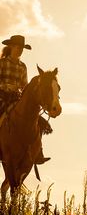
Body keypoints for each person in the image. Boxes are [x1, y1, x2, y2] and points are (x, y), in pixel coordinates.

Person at [0, 35, 50, 164]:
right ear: (11, 47)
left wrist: (22, 90)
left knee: (36, 120)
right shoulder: (2, 63)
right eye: (17, 47)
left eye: (22, 48)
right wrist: (7, 86)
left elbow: (24, 85)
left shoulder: (23, 67)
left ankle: (38, 151)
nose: (20, 50)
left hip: (16, 98)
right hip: (1, 97)